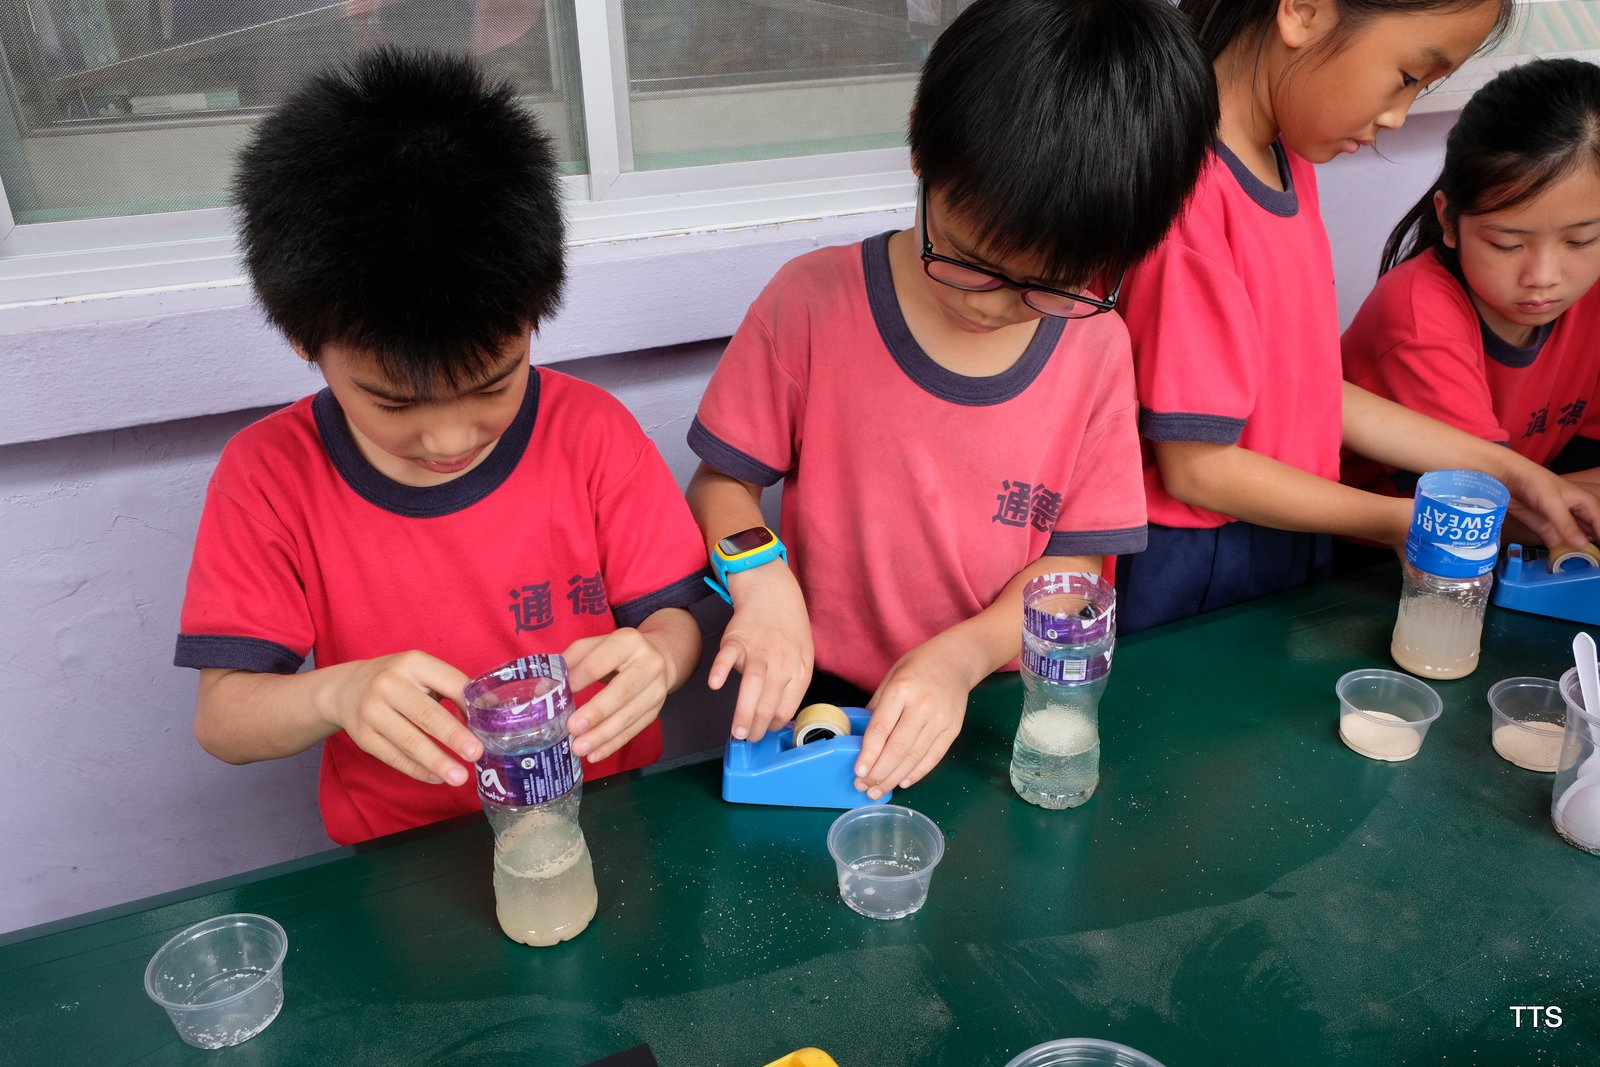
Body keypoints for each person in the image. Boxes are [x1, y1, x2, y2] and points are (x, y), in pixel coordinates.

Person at [684, 0, 1219, 800]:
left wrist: (960, 658)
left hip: (999, 696)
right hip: (826, 697)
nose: (991, 304)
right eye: (967, 258)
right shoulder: (810, 303)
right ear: (918, 146)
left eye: (1049, 284)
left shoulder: (1097, 348)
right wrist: (759, 578)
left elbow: (1074, 566)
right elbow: (721, 483)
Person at [174, 50, 708, 845]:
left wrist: (660, 657)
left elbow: (673, 619)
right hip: (407, 853)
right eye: (394, 402)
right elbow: (223, 718)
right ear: (303, 341)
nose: (451, 437)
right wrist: (337, 693)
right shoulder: (269, 476)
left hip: (603, 820)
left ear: (536, 314)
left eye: (495, 383)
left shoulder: (591, 431)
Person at [1113, 0, 1600, 634]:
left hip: (1286, 528)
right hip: (1192, 557)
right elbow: (1200, 469)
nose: (1397, 117)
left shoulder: (1287, 153)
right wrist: (1401, 521)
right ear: (1303, 12)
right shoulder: (1192, 194)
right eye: (1407, 77)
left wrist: (1515, 474)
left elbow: (1306, 391)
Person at [1342, 57, 1600, 509]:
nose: (1543, 278)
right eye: (1506, 244)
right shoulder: (1417, 318)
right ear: (1448, 219)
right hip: (1393, 541)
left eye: (1581, 241)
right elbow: (1476, 505)